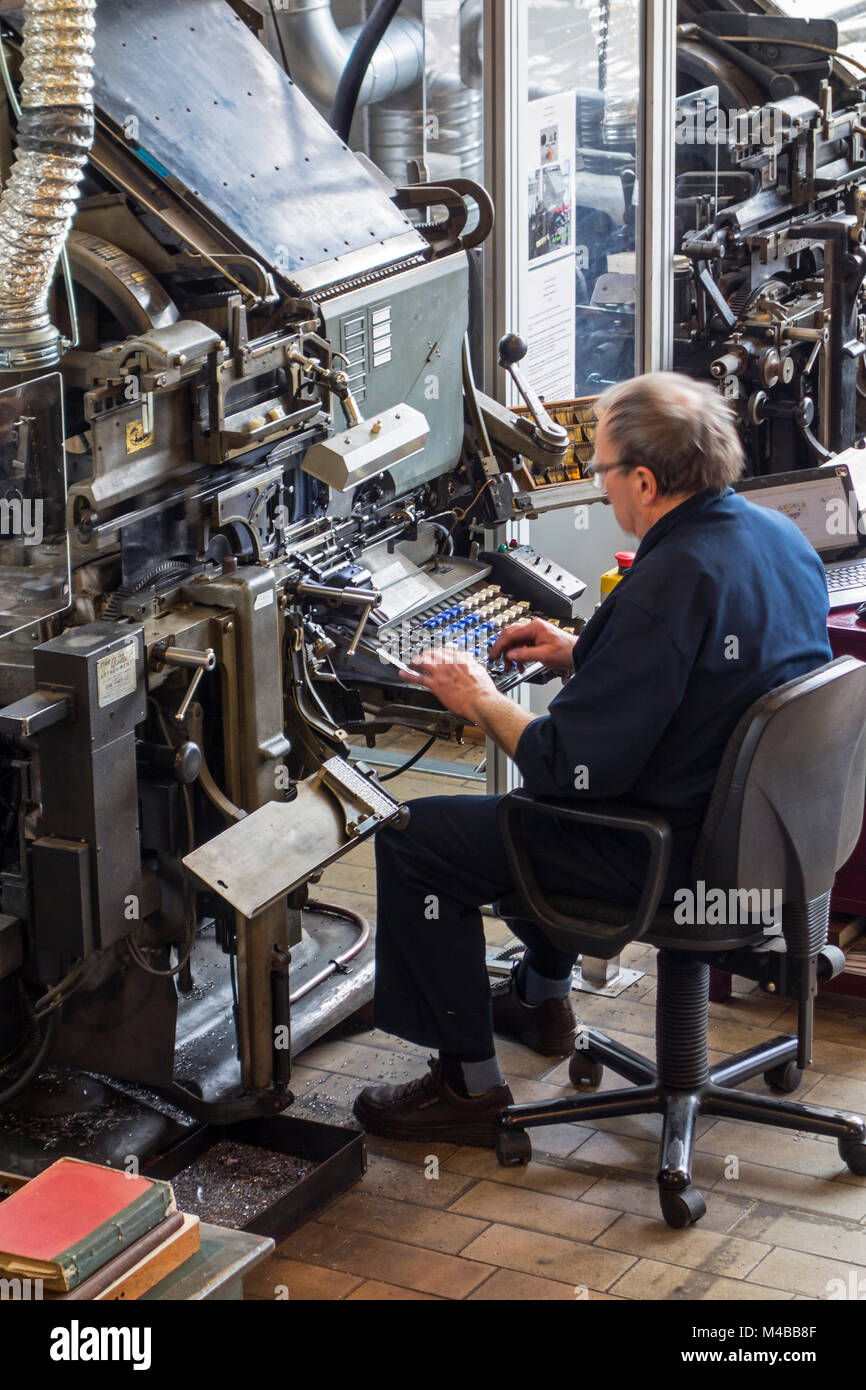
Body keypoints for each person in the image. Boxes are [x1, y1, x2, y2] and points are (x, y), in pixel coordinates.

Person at [353, 371, 833, 1146]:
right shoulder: (771, 534)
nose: (601, 487)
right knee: (524, 823)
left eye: (603, 471)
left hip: (666, 860)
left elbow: (564, 764)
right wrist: (587, 652)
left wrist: (479, 697)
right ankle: (540, 999)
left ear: (644, 479)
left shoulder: (669, 580)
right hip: (773, 844)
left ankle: (466, 1086)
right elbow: (715, 676)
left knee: (418, 836)